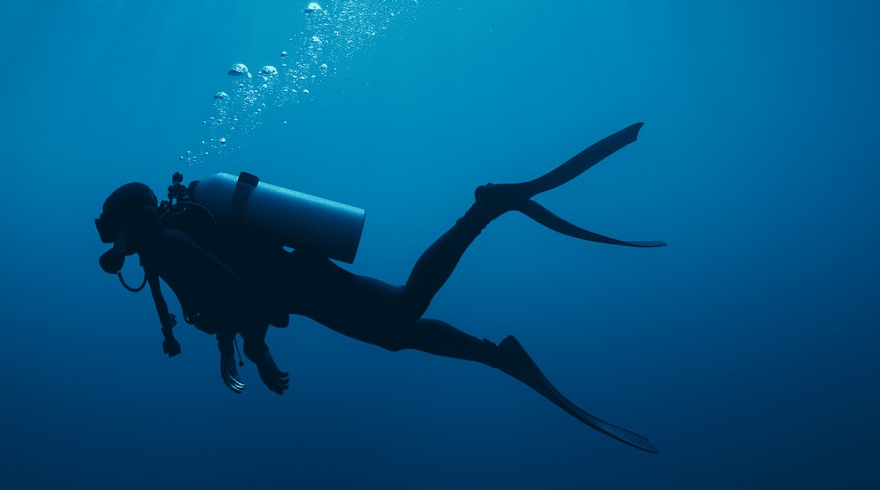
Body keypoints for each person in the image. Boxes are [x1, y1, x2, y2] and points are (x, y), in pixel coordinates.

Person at [95, 123, 663, 453]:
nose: (110, 245)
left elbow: (231, 289)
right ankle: (494, 353)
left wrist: (259, 351)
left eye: (109, 230)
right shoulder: (171, 239)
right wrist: (229, 345)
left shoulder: (167, 243)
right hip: (300, 283)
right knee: (398, 330)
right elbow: (221, 292)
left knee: (404, 308)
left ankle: (486, 209)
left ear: (126, 221)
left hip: (301, 284)